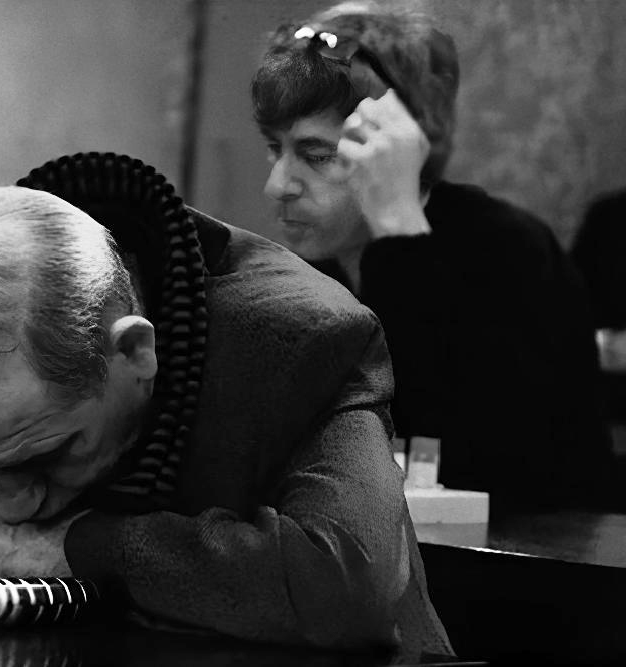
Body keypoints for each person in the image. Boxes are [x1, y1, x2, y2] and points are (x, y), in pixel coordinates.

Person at [0, 152, 452, 657]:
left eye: (48, 452)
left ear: (135, 351)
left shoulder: (303, 337)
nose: (9, 508)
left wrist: (79, 547)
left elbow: (345, 585)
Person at [252, 2, 616, 511]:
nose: (278, 185)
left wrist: (399, 231)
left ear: (402, 146)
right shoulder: (305, 274)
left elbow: (469, 470)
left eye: (317, 155)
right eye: (275, 148)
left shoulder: (509, 255)